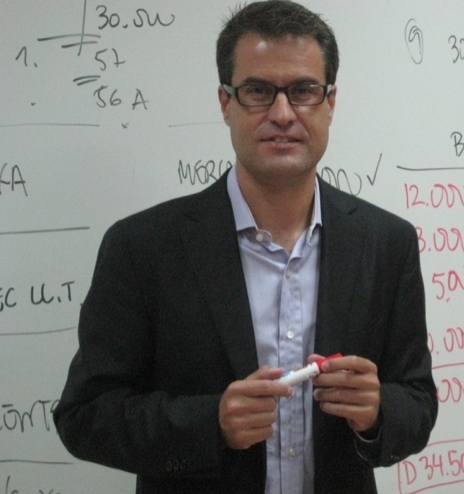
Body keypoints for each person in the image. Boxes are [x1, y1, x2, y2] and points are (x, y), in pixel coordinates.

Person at [53, 1, 437, 493]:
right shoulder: (142, 247)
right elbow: (84, 416)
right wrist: (209, 423)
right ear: (225, 102)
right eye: (258, 91)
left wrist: (378, 411)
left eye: (303, 91)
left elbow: (418, 401)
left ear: (330, 102)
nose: (282, 114)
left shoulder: (387, 243)